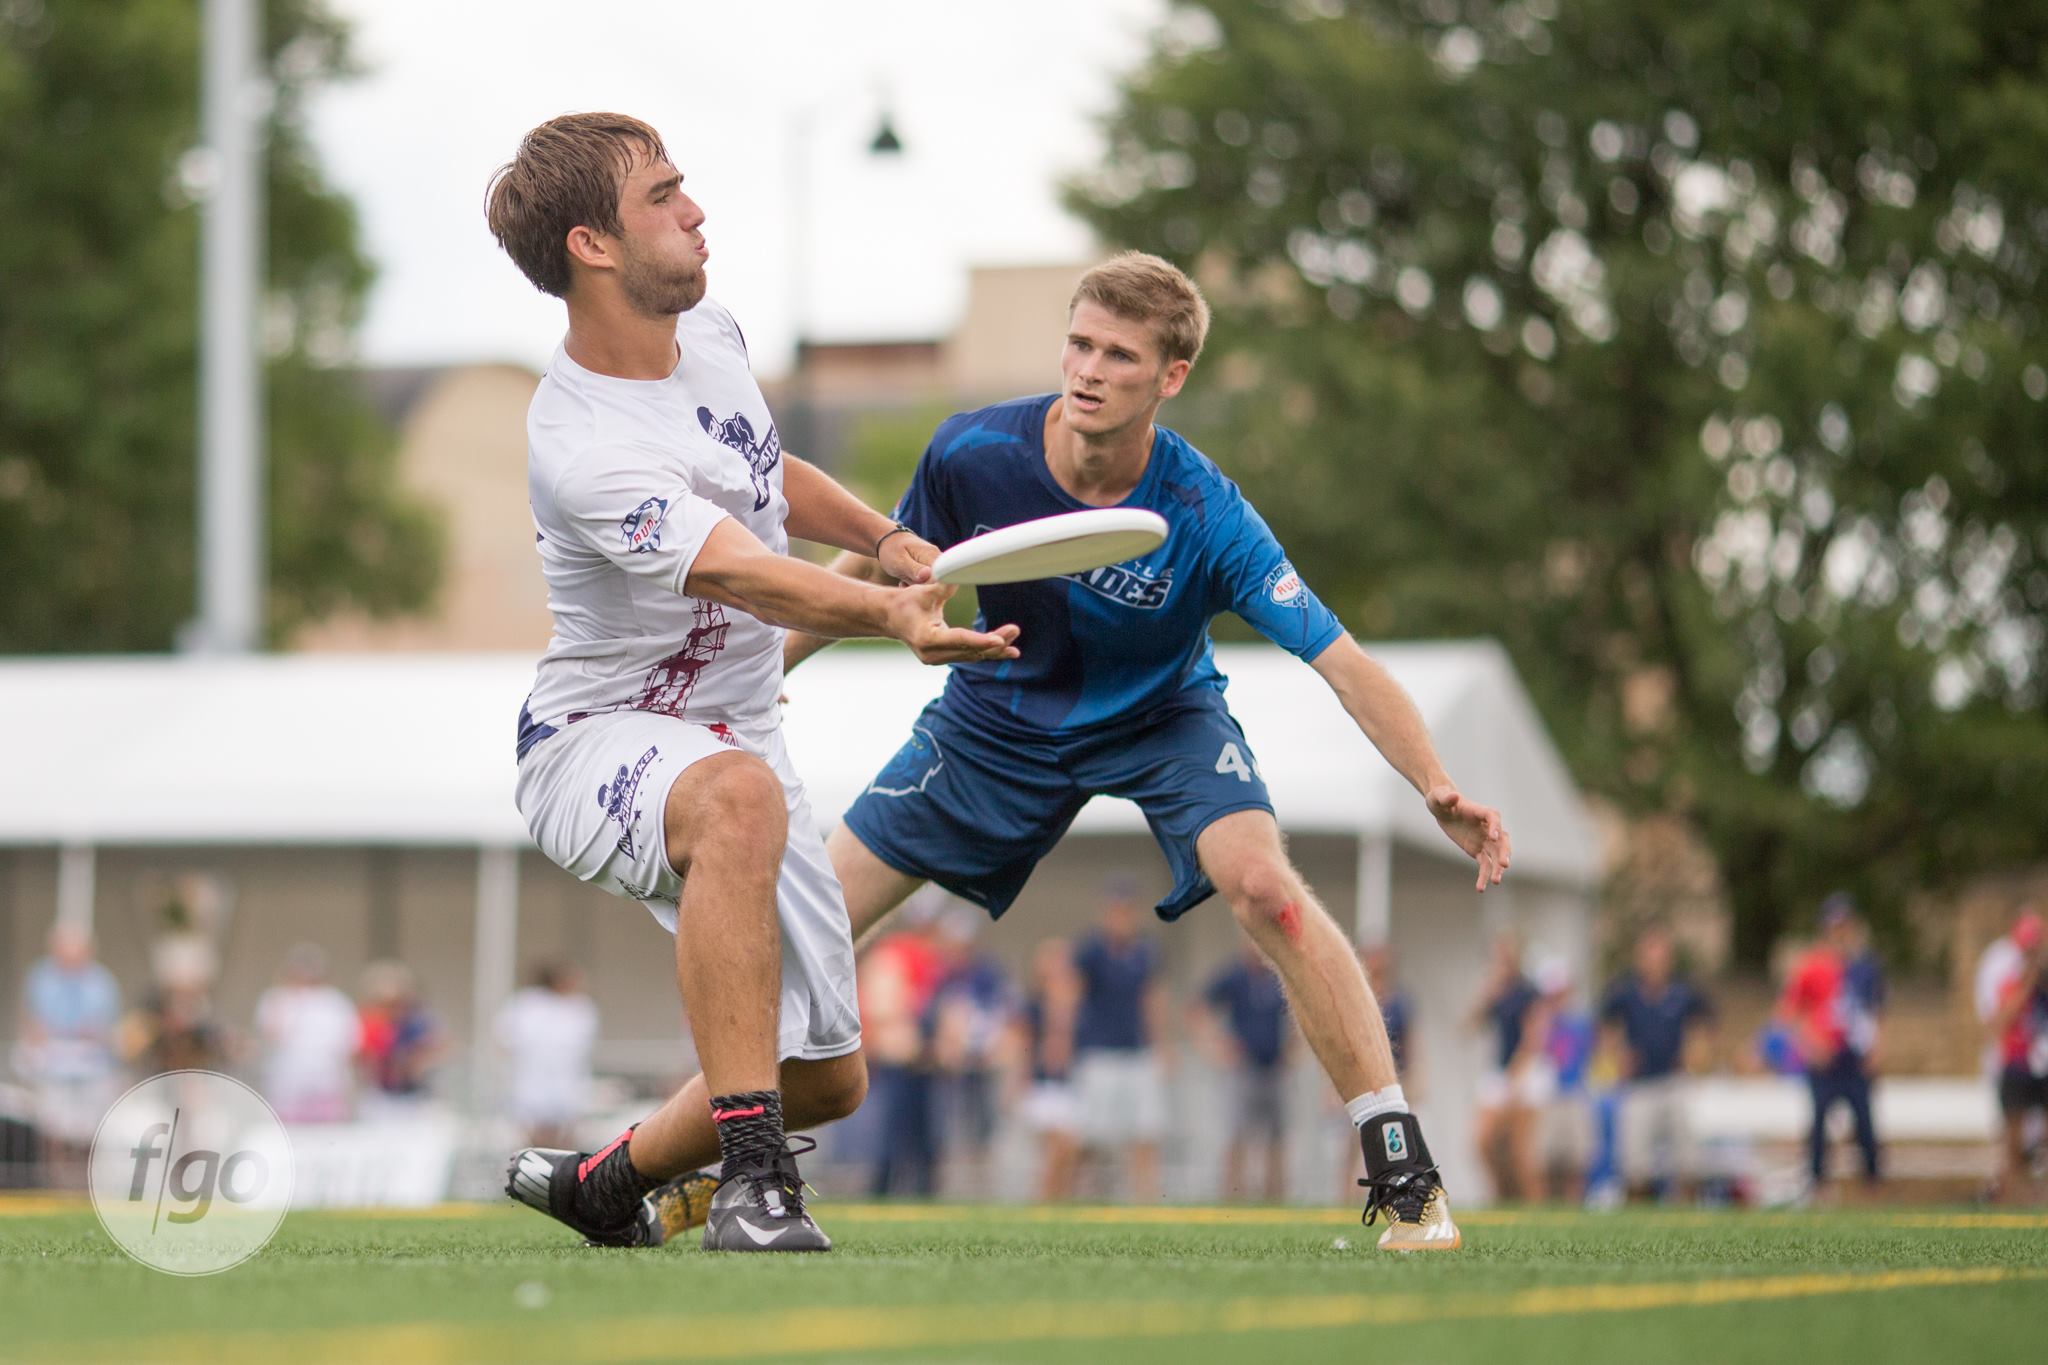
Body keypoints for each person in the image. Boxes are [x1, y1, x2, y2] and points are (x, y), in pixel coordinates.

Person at [776, 253, 1510, 1249]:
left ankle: (1401, 1169)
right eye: (1078, 342)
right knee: (803, 921)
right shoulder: (971, 452)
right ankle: (705, 1158)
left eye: (1117, 355)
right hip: (995, 719)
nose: (1086, 369)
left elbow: (1339, 659)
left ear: (1168, 378)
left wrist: (1434, 785)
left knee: (1266, 890)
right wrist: (779, 657)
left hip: (1164, 718)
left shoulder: (1206, 513)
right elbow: (885, 556)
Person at [484, 112, 1019, 1254]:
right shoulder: (581, 443)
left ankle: (601, 1182)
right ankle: (752, 1188)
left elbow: (765, 476)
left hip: (736, 737)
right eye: (665, 195)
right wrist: (887, 617)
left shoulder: (711, 331)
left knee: (827, 1078)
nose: (696, 209)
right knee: (736, 797)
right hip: (598, 738)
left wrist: (885, 540)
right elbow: (743, 574)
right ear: (592, 245)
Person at [1070, 885, 1173, 1203]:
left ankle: (1147, 1199)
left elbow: (1152, 999)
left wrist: (1162, 1044)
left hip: (1136, 1051)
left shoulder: (1145, 951)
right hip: (1099, 1051)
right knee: (1090, 1134)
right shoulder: (1091, 951)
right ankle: (1082, 1195)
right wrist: (1063, 1039)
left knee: (1145, 1131)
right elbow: (1072, 995)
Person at [1598, 922, 1714, 1203]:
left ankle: (1687, 1216)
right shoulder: (1624, 992)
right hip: (1639, 1084)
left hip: (1674, 1080)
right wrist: (1616, 1057)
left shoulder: (1683, 992)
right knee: (1635, 1167)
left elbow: (1705, 1025)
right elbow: (1605, 1029)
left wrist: (1696, 1052)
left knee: (1688, 1163)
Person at [1777, 895, 1883, 1195]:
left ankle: (1872, 1185)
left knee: (1865, 1121)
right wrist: (1810, 1046)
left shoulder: (1864, 967)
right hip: (1824, 1058)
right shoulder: (1811, 966)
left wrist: (1877, 1047)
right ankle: (1817, 1185)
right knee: (1819, 1123)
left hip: (1855, 1056)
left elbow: (1875, 1010)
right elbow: (1790, 1012)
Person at [16, 924, 121, 1185]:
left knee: (88, 1126)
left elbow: (103, 1028)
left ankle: (86, 1181)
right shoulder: (41, 978)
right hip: (52, 1064)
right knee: (52, 1122)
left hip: (91, 1066)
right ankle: (53, 1180)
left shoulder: (100, 982)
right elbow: (33, 1023)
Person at [927, 907, 1017, 1198]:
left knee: (984, 1131)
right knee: (951, 1129)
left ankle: (982, 1189)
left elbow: (1003, 1013)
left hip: (983, 1064)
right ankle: (951, 1190)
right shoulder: (943, 975)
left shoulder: (987, 973)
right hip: (954, 1067)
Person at [1195, 941, 1293, 1202]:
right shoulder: (1233, 977)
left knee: (1276, 1137)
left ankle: (1275, 1200)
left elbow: (1300, 1012)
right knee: (1236, 1135)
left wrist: (1293, 1050)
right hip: (1243, 1068)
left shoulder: (1279, 977)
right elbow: (1198, 1009)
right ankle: (1233, 1198)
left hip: (1274, 1068)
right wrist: (1216, 1048)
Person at [1468, 935, 1541, 1202]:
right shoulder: (1497, 992)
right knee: (1482, 1142)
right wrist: (1487, 992)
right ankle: (1501, 1195)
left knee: (1519, 1147)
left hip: (1523, 1071)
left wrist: (1515, 1075)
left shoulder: (1528, 991)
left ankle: (1533, 1203)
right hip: (1498, 1072)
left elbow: (1534, 1036)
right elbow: (1469, 1026)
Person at [496, 962, 600, 1149]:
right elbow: (505, 1040)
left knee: (565, 1129)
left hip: (567, 1080)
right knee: (534, 1127)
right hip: (532, 1079)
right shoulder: (527, 1004)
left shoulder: (579, 1007)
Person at [254, 943, 360, 1125]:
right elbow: (270, 1034)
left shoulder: (334, 1001)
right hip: (287, 1083)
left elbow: (349, 1044)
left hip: (325, 1082)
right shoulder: (277, 998)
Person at [1015, 938, 1083, 1200]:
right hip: (1043, 1084)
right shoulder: (1034, 1004)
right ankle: (1044, 1199)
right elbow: (1025, 1045)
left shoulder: (1078, 1001)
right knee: (1058, 1145)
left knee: (1069, 1150)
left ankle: (1060, 1199)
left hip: (1071, 1082)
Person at [1988, 915, 2048, 1202]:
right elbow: (2001, 1020)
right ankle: (2014, 1194)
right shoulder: (2011, 982)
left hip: (2043, 1065)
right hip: (2017, 1063)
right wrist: (2027, 985)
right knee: (2013, 1138)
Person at [357, 960, 444, 1108]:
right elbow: (362, 1056)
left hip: (413, 1094)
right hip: (379, 1094)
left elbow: (437, 1046)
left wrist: (416, 1062)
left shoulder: (418, 1022)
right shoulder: (370, 1023)